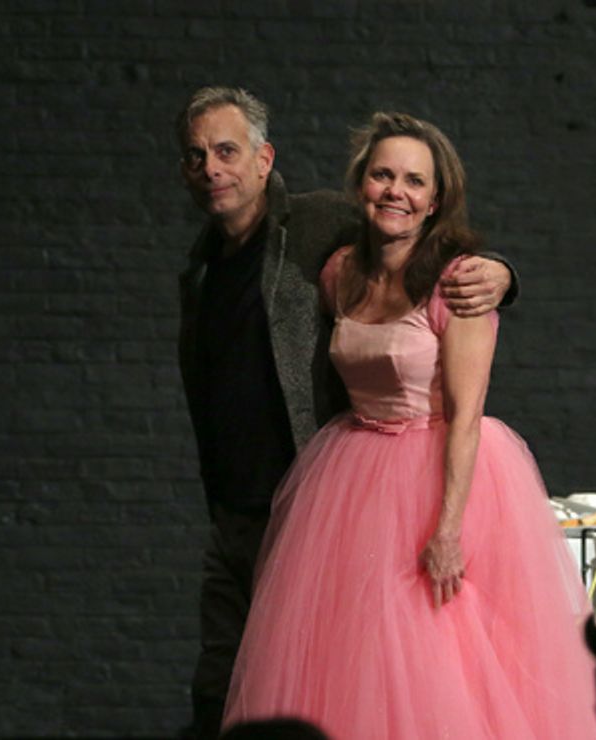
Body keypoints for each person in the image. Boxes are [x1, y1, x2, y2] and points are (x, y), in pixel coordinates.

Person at [221, 112, 596, 739]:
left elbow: (466, 416)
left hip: (437, 474)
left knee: (438, 657)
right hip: (350, 472)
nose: (396, 191)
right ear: (361, 184)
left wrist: (448, 527)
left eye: (414, 181)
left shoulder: (460, 282)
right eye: (382, 175)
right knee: (350, 657)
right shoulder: (339, 270)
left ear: (435, 200)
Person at [174, 87, 516, 740]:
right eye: (196, 157)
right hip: (267, 505)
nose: (212, 168)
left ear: (263, 158)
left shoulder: (314, 225)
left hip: (335, 488)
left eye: (226, 151)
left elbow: (436, 251)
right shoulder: (208, 268)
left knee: (395, 672)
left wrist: (501, 271)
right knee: (231, 688)